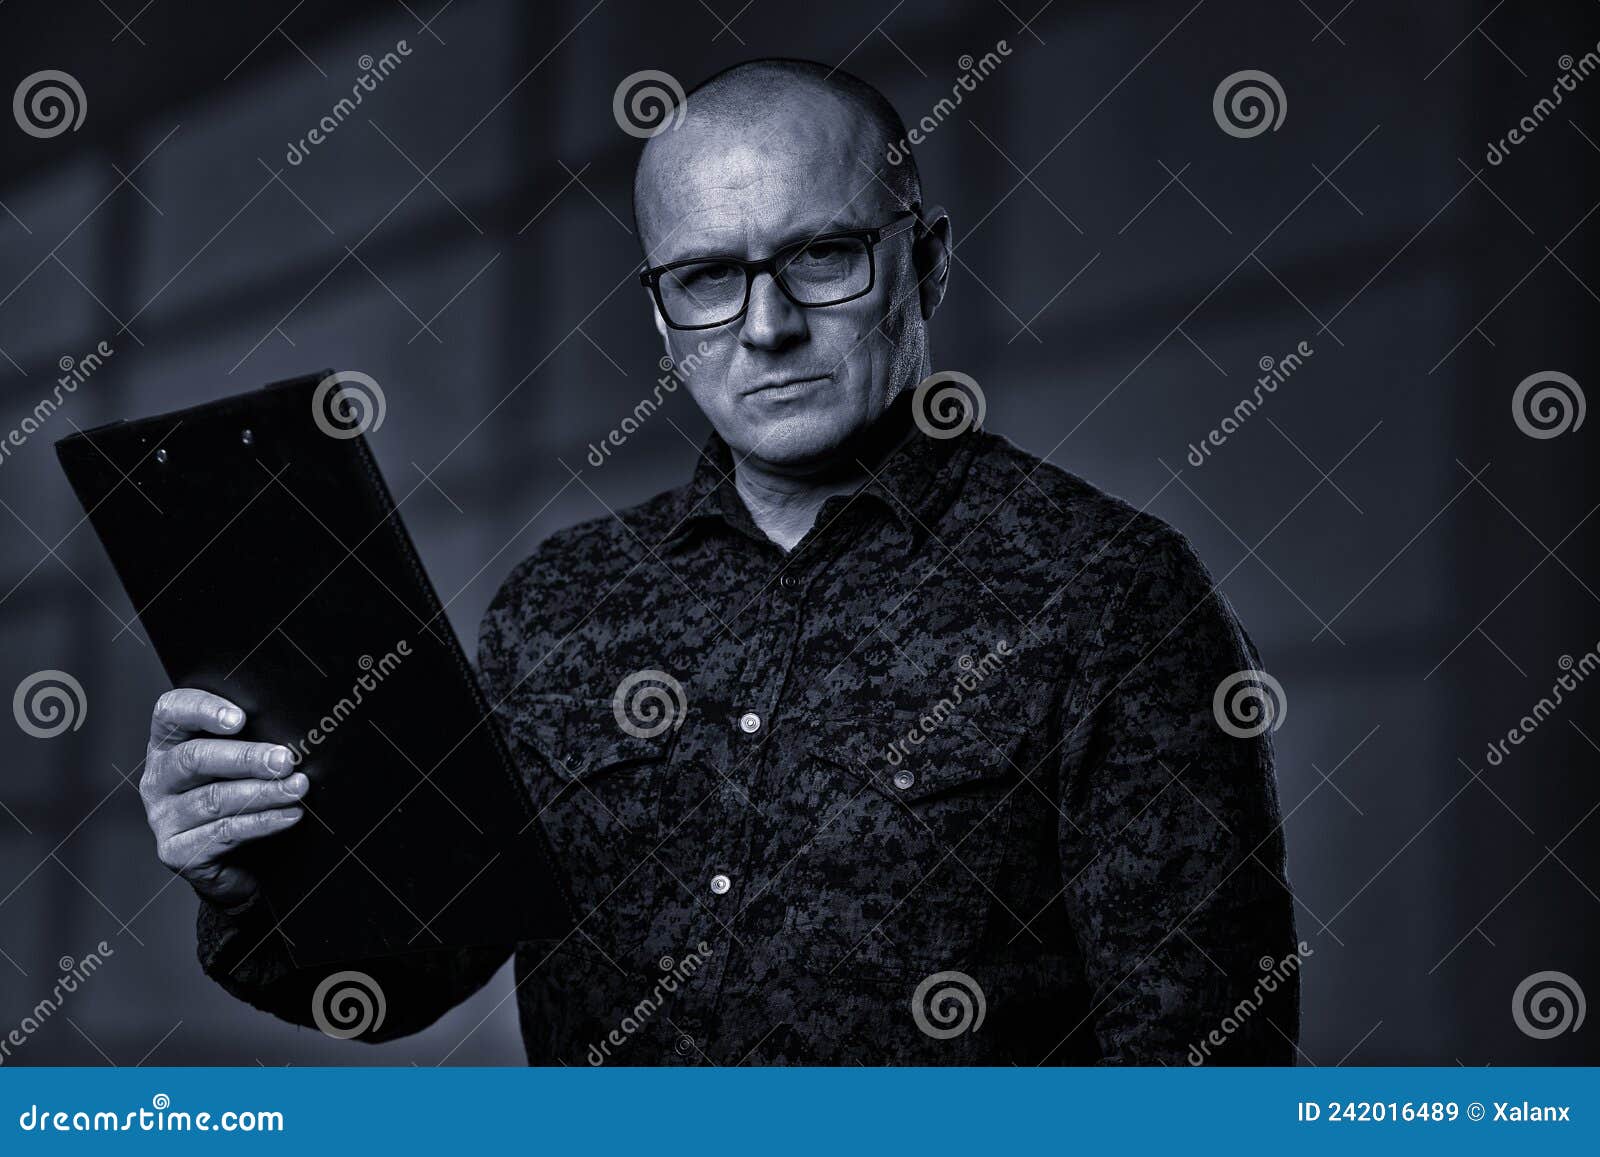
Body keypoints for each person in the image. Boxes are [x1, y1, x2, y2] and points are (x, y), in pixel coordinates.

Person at [137, 58, 1298, 1064]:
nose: (765, 324)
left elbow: (1206, 1068)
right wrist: (251, 880)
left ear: (926, 261)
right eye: (706, 277)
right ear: (659, 315)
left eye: (823, 255)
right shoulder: (561, 602)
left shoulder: (1109, 592)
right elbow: (406, 974)